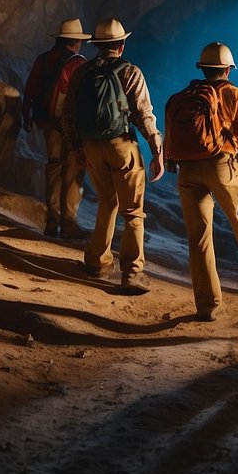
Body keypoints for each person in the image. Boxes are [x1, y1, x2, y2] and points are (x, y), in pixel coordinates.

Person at [165, 42, 238, 322]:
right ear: (228, 69)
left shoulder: (183, 97)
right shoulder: (237, 97)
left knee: (198, 237)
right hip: (222, 166)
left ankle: (208, 305)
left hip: (187, 170)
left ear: (202, 69)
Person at [64, 17, 164, 294]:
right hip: (121, 146)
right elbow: (144, 114)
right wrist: (157, 149)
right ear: (121, 45)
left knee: (106, 202)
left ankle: (97, 262)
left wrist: (77, 149)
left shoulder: (82, 72)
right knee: (132, 210)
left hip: (91, 146)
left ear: (97, 45)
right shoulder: (130, 72)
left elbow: (69, 114)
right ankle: (132, 272)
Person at [22, 18, 93, 238]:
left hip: (47, 121)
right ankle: (69, 222)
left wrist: (27, 114)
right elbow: (84, 96)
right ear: (75, 42)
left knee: (54, 166)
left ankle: (51, 218)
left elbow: (31, 88)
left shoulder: (43, 59)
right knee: (73, 170)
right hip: (71, 124)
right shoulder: (78, 63)